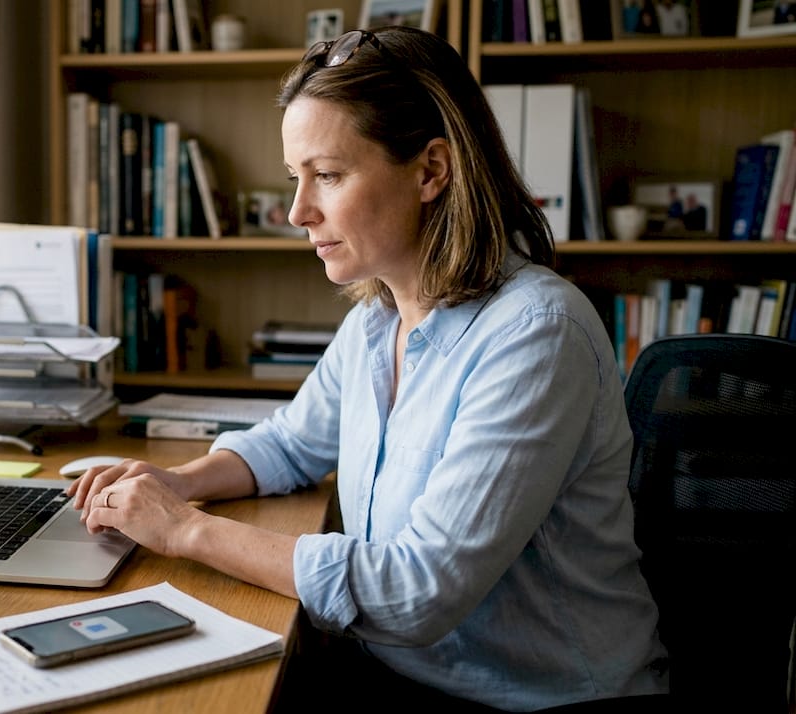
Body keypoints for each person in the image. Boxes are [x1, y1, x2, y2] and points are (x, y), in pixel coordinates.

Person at [68, 26, 668, 712]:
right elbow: (292, 442)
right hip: (396, 673)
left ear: (431, 171)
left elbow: (417, 593)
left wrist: (185, 529)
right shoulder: (378, 319)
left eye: (327, 175)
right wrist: (178, 481)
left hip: (541, 702)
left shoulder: (536, 334)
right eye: (296, 179)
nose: (298, 211)